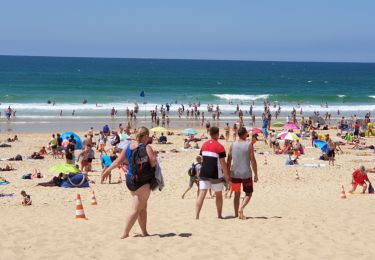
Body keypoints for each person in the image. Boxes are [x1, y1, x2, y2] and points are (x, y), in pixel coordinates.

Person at [102, 127, 157, 239]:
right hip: (143, 181)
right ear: (145, 136)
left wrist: (107, 170)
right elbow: (153, 162)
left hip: (130, 180)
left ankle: (144, 232)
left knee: (143, 207)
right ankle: (125, 233)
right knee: (136, 209)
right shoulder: (147, 147)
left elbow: (118, 161)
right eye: (148, 136)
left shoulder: (128, 146)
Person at [195, 126, 229, 219]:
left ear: (209, 134)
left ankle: (197, 216)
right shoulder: (220, 147)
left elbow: (202, 159)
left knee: (201, 194)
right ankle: (219, 215)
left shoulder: (204, 145)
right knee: (218, 195)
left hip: (204, 172)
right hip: (215, 174)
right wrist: (226, 175)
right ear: (218, 134)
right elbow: (223, 162)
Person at [227, 127, 258, 219]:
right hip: (246, 174)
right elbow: (253, 160)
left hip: (235, 174)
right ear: (244, 134)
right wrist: (256, 174)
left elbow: (229, 160)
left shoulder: (233, 145)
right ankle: (241, 208)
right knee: (248, 193)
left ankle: (236, 214)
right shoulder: (249, 144)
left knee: (236, 193)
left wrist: (228, 173)